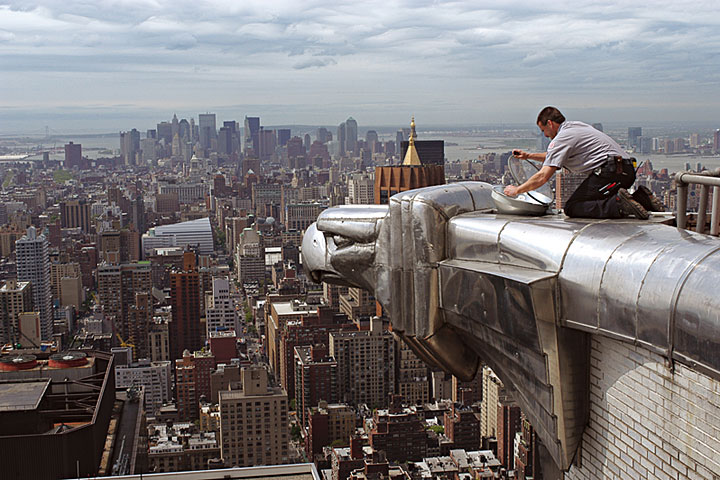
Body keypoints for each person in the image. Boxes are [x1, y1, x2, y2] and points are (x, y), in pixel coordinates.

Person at [504, 106, 663, 219]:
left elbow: (542, 177)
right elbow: (554, 156)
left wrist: (517, 190)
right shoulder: (577, 126)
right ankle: (641, 198)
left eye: (543, 130)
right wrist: (528, 156)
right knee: (594, 198)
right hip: (626, 170)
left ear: (550, 124)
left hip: (610, 172)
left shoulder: (562, 138)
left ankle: (619, 205)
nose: (545, 135)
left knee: (573, 206)